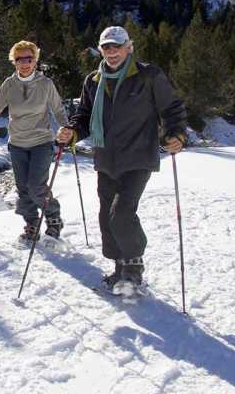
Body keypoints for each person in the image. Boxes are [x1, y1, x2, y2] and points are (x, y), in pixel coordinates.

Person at [56, 26, 187, 292]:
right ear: (101, 49)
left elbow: (172, 108)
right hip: (106, 158)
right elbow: (84, 115)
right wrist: (71, 132)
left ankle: (134, 268)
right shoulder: (93, 80)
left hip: (138, 156)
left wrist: (177, 134)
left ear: (129, 47)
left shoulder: (148, 75)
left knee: (121, 213)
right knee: (106, 217)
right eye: (106, 47)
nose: (112, 52)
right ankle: (119, 269)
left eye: (117, 46)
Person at [0, 40, 68, 244]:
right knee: (23, 188)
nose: (25, 63)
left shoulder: (46, 84)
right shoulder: (9, 85)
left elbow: (58, 110)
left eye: (29, 58)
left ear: (35, 60)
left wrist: (67, 128)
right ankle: (32, 225)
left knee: (36, 185)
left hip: (41, 142)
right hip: (17, 143)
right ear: (14, 62)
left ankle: (54, 219)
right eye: (20, 59)